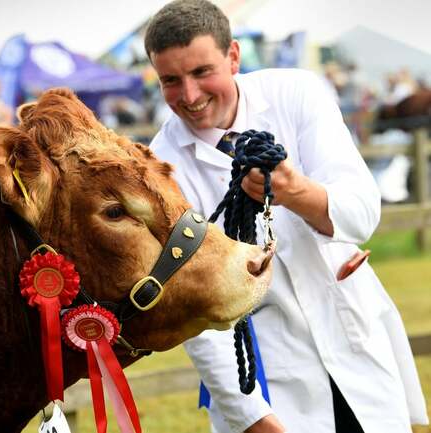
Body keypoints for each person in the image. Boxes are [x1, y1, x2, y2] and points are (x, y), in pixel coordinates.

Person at [144, 1, 428, 432]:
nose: (189, 96)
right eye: (170, 81)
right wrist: (255, 419)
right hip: (265, 373)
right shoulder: (160, 166)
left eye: (202, 72)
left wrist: (295, 191)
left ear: (234, 56)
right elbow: (195, 314)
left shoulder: (298, 93)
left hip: (349, 337)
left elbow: (361, 212)